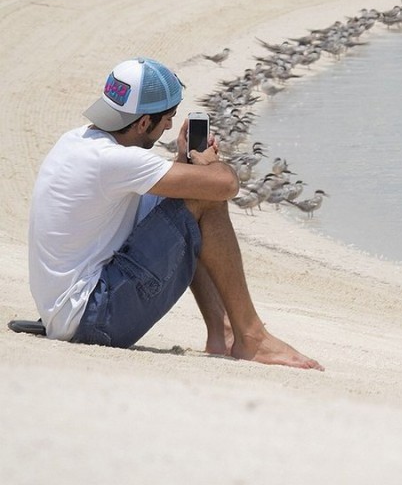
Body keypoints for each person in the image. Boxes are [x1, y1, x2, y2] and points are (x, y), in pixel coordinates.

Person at [28, 57, 323, 371]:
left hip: (67, 312)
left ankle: (222, 333)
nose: (170, 125)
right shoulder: (115, 161)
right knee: (205, 199)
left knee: (188, 199)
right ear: (143, 123)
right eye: (167, 117)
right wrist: (208, 162)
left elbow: (156, 210)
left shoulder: (76, 141)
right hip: (96, 319)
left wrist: (183, 160)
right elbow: (225, 186)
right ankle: (251, 336)